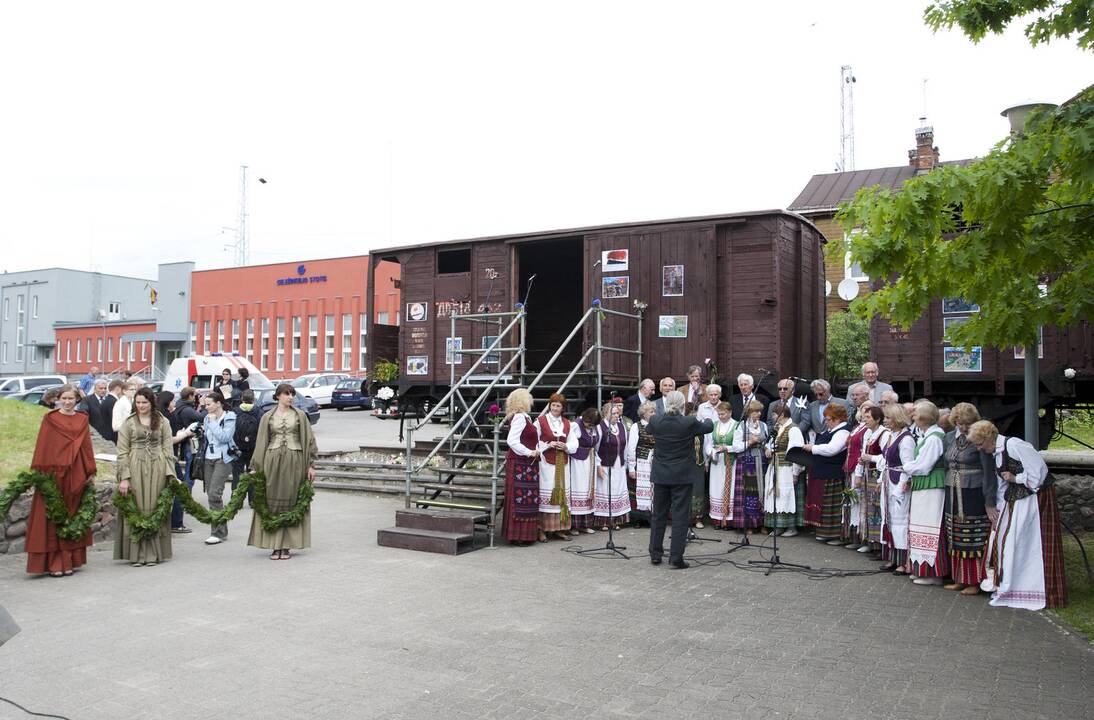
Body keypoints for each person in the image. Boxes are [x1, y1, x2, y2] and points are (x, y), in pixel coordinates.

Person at [968, 420, 1067, 610]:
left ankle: (1034, 588)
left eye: (980, 444)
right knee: (1007, 541)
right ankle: (1011, 585)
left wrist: (1016, 478)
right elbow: (1002, 485)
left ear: (988, 437)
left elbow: (1039, 474)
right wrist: (998, 509)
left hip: (1034, 501)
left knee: (1027, 543)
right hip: (1015, 501)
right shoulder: (997, 454)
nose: (980, 448)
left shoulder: (1015, 445)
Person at [23, 385, 96, 577]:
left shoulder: (82, 419)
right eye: (64, 398)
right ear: (58, 398)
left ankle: (69, 561)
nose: (67, 402)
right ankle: (54, 563)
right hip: (54, 474)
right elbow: (43, 446)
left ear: (76, 400)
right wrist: (41, 474)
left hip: (76, 473)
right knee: (53, 518)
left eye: (71, 398)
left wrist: (90, 470)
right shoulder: (50, 418)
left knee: (72, 515)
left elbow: (87, 447)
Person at [247, 383, 316, 559]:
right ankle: (274, 545)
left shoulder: (300, 415)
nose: (290, 397)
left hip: (295, 460)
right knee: (272, 501)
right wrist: (255, 467)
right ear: (278, 396)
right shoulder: (267, 417)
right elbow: (261, 442)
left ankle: (286, 545)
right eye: (286, 394)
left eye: (292, 393)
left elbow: (309, 440)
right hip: (272, 460)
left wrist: (310, 465)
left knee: (292, 500)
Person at [647, 391, 714, 568]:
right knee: (680, 516)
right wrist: (706, 418)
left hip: (661, 474)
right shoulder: (688, 422)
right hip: (681, 475)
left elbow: (648, 429)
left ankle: (655, 553)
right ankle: (676, 557)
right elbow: (708, 427)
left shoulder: (656, 420)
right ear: (683, 405)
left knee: (658, 515)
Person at [114, 387, 177, 566]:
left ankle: (154, 553)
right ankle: (137, 554)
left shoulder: (162, 421)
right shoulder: (129, 422)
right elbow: (122, 451)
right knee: (137, 507)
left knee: (155, 506)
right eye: (138, 402)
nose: (141, 405)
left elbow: (168, 449)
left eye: (144, 402)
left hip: (157, 466)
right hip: (135, 466)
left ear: (151, 403)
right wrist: (124, 477)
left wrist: (170, 473)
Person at [941, 404, 997, 595]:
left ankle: (974, 580)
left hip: (973, 492)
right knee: (954, 533)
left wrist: (990, 502)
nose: (963, 427)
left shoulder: (978, 439)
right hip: (952, 490)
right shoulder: (949, 437)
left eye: (967, 423)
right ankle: (959, 578)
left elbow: (989, 472)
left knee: (973, 535)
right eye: (959, 423)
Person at [902, 399, 948, 585]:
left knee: (931, 526)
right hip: (924, 485)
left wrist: (906, 466)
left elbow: (924, 465)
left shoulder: (935, 438)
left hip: (932, 486)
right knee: (920, 525)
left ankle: (933, 572)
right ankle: (921, 568)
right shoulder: (928, 435)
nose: (913, 417)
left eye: (915, 414)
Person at [802, 404, 851, 543]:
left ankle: (835, 535)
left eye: (828, 419)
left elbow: (832, 449)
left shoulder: (843, 432)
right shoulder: (832, 430)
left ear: (837, 419)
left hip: (832, 473)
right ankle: (825, 532)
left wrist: (813, 448)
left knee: (832, 507)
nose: (826, 422)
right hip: (824, 472)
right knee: (824, 504)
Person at [878, 404, 916, 573]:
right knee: (889, 518)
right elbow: (886, 460)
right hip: (888, 479)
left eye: (888, 417)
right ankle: (892, 557)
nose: (885, 420)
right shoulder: (892, 435)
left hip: (898, 482)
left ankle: (902, 561)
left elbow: (908, 466)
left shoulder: (906, 439)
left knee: (900, 520)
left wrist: (901, 488)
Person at [534, 393, 576, 542]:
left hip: (562, 463)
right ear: (549, 405)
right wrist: (548, 445)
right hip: (546, 464)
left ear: (563, 408)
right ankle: (541, 530)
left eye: (558, 406)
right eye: (553, 405)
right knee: (546, 494)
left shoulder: (567, 423)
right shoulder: (540, 421)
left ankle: (560, 529)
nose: (555, 408)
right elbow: (533, 441)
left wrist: (566, 445)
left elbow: (574, 443)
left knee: (561, 494)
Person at [502, 389, 539, 545]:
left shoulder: (524, 417)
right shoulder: (519, 418)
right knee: (520, 500)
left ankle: (523, 535)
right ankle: (518, 536)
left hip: (525, 463)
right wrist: (529, 452)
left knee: (527, 499)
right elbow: (512, 441)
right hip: (520, 462)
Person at [201, 391, 237, 546]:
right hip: (208, 458)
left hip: (223, 458)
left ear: (218, 403)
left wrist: (214, 422)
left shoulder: (229, 417)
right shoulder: (206, 418)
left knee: (215, 493)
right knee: (210, 493)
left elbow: (224, 437)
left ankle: (217, 532)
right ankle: (221, 529)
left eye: (209, 404)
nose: (206, 407)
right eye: (205, 404)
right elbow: (206, 437)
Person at [729, 400, 768, 534]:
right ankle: (749, 524)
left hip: (761, 461)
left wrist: (767, 448)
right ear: (749, 412)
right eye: (756, 411)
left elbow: (767, 441)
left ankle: (762, 523)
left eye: (760, 411)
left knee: (761, 492)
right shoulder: (741, 426)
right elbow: (736, 446)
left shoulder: (763, 425)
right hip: (747, 461)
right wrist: (750, 442)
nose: (758, 414)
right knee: (748, 494)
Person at [764, 402, 803, 536]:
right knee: (776, 496)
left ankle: (791, 527)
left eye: (774, 414)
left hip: (787, 468)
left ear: (782, 414)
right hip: (775, 466)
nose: (773, 416)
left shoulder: (793, 429)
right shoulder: (777, 427)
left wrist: (796, 473)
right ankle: (779, 526)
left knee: (786, 496)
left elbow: (797, 453)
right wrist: (768, 449)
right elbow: (770, 443)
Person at [854, 405, 889, 554]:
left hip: (878, 476)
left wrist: (871, 458)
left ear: (878, 419)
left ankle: (879, 545)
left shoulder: (884, 434)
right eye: (864, 416)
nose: (865, 419)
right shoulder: (868, 433)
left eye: (868, 417)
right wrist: (859, 473)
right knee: (868, 509)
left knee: (877, 509)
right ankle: (869, 541)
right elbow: (863, 453)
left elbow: (887, 457)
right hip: (868, 475)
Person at [841, 400, 876, 549]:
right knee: (851, 503)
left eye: (868, 409)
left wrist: (859, 472)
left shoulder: (867, 429)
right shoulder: (857, 427)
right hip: (851, 468)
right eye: (863, 408)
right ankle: (852, 537)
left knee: (860, 504)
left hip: (859, 469)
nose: (865, 411)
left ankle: (863, 540)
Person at [170, 387, 203, 534]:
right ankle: (186, 498)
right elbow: (201, 418)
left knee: (188, 473)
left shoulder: (179, 406)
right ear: (190, 396)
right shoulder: (188, 410)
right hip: (188, 443)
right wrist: (201, 406)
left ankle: (185, 498)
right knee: (189, 474)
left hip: (182, 443)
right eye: (194, 396)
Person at [595, 401, 630, 530]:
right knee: (605, 491)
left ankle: (615, 520)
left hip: (618, 465)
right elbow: (595, 448)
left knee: (617, 490)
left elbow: (625, 447)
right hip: (605, 465)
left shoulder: (621, 427)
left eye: (617, 413)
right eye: (613, 413)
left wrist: (625, 464)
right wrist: (598, 466)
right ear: (606, 413)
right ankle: (603, 521)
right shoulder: (600, 427)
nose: (616, 415)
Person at [704, 401, 739, 529]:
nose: (721, 416)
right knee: (716, 487)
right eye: (719, 414)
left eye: (723, 414)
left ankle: (728, 519)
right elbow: (708, 443)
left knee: (729, 488)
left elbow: (739, 445)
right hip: (717, 462)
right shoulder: (714, 425)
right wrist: (711, 451)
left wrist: (727, 448)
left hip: (730, 462)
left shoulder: (737, 425)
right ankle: (717, 519)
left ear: (730, 412)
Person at [567, 407, 601, 534]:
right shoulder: (576, 425)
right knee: (578, 490)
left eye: (592, 425)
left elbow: (595, 445)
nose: (589, 426)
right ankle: (574, 525)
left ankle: (585, 524)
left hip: (589, 461)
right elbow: (569, 443)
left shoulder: (594, 427)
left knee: (588, 490)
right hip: (577, 462)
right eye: (588, 423)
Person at [625, 401, 657, 527]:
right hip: (641, 462)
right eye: (651, 411)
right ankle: (638, 519)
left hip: (654, 462)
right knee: (638, 490)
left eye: (654, 411)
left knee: (652, 490)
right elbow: (631, 448)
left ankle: (650, 517)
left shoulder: (656, 425)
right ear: (644, 414)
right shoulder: (636, 426)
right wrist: (632, 468)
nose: (653, 414)